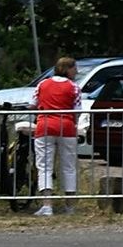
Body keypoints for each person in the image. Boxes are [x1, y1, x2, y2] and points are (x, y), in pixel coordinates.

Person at [29, 58, 80, 214]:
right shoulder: (74, 87)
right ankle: (70, 205)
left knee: (44, 166)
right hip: (67, 127)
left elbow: (33, 105)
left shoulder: (42, 84)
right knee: (69, 166)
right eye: (74, 68)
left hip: (45, 127)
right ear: (68, 69)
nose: (76, 71)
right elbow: (77, 110)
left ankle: (47, 205)